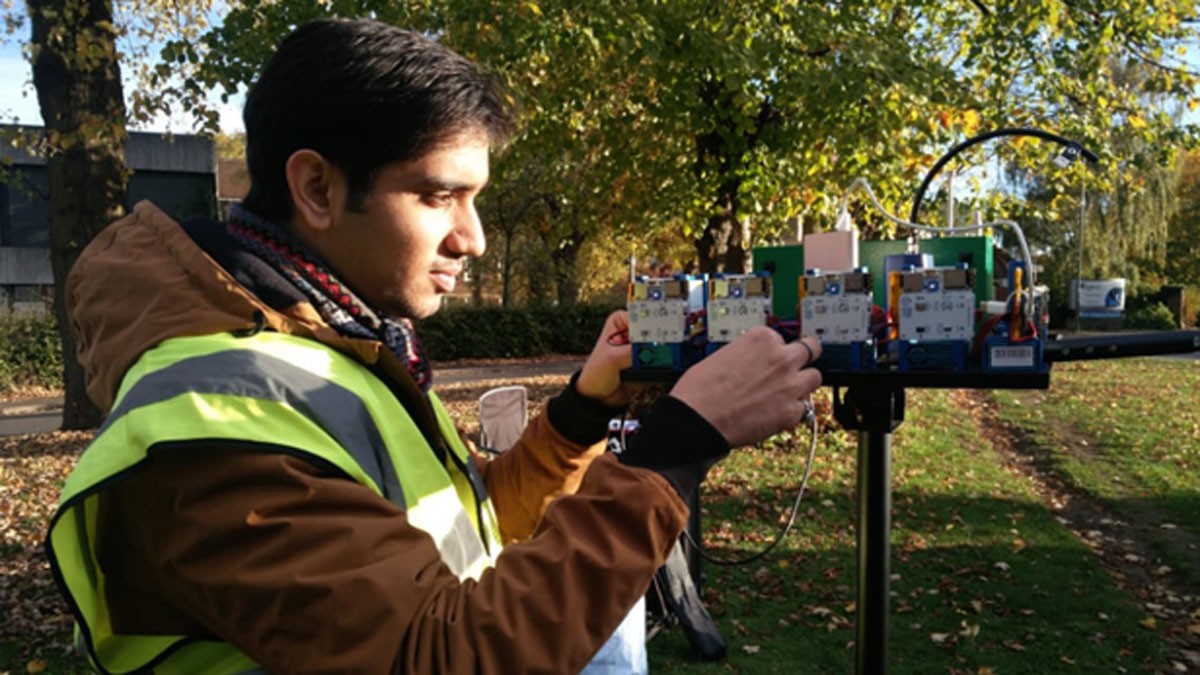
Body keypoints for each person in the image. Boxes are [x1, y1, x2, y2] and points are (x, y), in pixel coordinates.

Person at [45, 17, 823, 674]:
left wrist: (581, 415)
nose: (472, 238)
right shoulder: (217, 416)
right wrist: (676, 448)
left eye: (474, 198)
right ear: (316, 188)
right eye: (437, 194)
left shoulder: (328, 345)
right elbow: (439, 651)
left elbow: (465, 533)